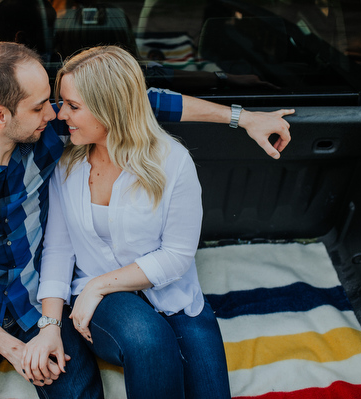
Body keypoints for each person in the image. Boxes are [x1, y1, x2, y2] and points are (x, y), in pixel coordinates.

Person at [0, 41, 293, 398]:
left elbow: (136, 100)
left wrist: (243, 118)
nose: (54, 113)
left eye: (59, 103)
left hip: (37, 297)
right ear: (0, 116)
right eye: (43, 105)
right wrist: (20, 346)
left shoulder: (48, 135)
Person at [26, 45, 235, 398]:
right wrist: (51, 323)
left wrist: (99, 285)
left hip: (171, 292)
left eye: (73, 106)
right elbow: (59, 249)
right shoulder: (66, 166)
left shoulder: (173, 161)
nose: (62, 116)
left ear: (111, 108)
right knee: (148, 339)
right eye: (63, 104)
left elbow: (177, 255)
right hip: (103, 304)